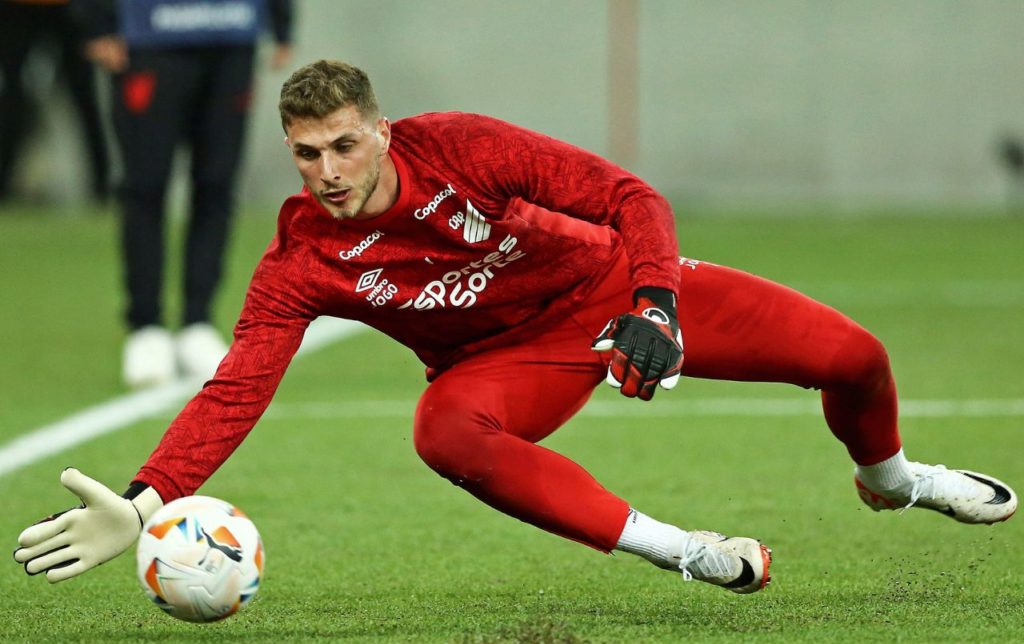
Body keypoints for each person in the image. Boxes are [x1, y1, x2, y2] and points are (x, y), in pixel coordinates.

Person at [14, 60, 1018, 592]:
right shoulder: (300, 263)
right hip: (508, 360)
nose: (326, 170)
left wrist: (655, 301)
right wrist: (147, 502)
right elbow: (235, 387)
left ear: (382, 130)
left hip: (609, 287)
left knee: (856, 357)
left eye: (343, 145)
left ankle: (895, 481)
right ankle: (685, 552)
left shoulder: (465, 149)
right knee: (442, 430)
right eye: (306, 152)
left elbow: (628, 193)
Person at [73, 0, 294, 388]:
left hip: (231, 33)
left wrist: (280, 19)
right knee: (144, 185)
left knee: (217, 184)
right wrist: (95, 20)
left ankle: (197, 320)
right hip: (149, 34)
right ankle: (146, 326)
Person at [0, 0, 110, 203]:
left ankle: (102, 184)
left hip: (70, 7)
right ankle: (3, 182)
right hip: (18, 8)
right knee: (13, 99)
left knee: (83, 95)